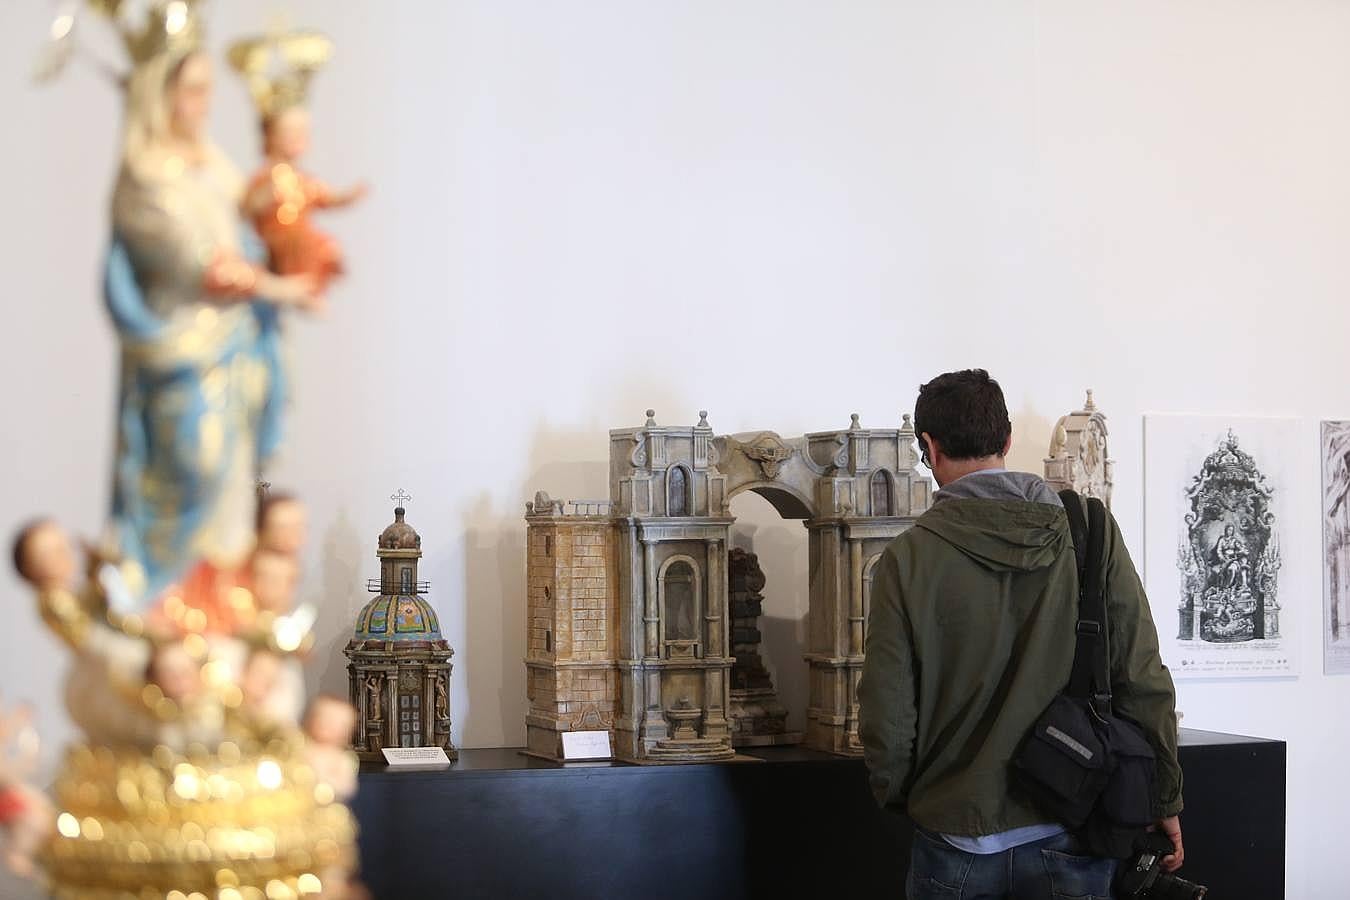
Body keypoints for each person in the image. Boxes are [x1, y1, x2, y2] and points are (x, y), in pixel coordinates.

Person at [857, 370, 1184, 900]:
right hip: (1072, 822)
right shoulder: (1090, 531)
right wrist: (1164, 796)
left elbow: (888, 714)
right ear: (1007, 441)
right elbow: (1142, 675)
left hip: (955, 836)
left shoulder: (906, 559)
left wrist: (912, 798)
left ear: (929, 447)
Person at [106, 43, 323, 605]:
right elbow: (206, 267)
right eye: (193, 89)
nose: (204, 103)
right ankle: (166, 602)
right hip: (181, 348)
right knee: (192, 466)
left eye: (207, 87)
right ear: (160, 95)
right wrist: (281, 286)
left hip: (236, 345)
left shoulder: (213, 163)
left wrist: (283, 209)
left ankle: (219, 607)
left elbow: (249, 224)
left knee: (232, 484)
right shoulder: (148, 176)